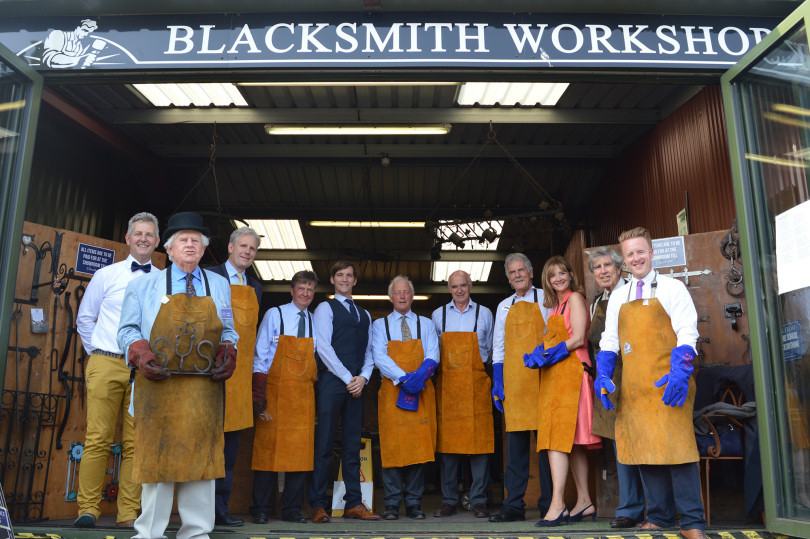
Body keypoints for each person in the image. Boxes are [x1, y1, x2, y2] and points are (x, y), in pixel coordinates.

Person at [117, 211, 238, 539]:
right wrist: (140, 352)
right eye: (183, 240)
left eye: (196, 241)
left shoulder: (220, 286)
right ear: (167, 248)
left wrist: (229, 349)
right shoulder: (143, 286)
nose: (190, 245)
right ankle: (149, 534)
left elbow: (228, 328)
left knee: (202, 462)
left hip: (203, 390)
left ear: (203, 249)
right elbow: (126, 329)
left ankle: (196, 533)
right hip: (158, 388)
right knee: (157, 462)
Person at [595, 227, 706, 539]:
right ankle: (658, 517)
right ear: (624, 261)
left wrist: (681, 373)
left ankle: (692, 522)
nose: (636, 258)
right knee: (644, 452)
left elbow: (687, 332)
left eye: (640, 251)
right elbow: (609, 341)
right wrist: (602, 374)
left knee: (679, 452)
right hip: (634, 388)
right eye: (630, 254)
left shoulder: (673, 288)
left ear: (651, 252)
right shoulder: (618, 297)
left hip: (670, 383)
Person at [74, 212, 158, 528]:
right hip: (106, 362)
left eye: (149, 234)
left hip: (143, 369)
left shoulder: (162, 279)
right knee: (97, 437)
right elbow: (85, 319)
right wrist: (97, 353)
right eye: (138, 233)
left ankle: (127, 514)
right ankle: (88, 509)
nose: (143, 239)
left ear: (157, 241)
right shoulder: (106, 275)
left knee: (137, 442)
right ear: (127, 238)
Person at [525, 256, 600, 526]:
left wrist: (553, 350)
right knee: (575, 443)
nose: (558, 278)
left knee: (557, 440)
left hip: (574, 375)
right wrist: (541, 351)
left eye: (562, 273)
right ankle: (584, 501)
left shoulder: (576, 299)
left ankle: (557, 505)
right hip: (559, 377)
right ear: (547, 280)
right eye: (552, 275)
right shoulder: (556, 307)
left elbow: (579, 338)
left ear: (570, 275)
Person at [309, 261, 381, 522]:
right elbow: (323, 348)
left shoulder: (365, 314)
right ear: (332, 279)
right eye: (340, 275)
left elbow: (370, 352)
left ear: (355, 281)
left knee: (353, 447)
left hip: (356, 386)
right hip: (332, 383)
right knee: (324, 445)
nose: (345, 279)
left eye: (349, 275)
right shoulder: (325, 308)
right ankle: (318, 504)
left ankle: (353, 503)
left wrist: (363, 378)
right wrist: (348, 377)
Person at [489, 253, 553, 523]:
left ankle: (550, 504)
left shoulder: (546, 300)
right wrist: (498, 380)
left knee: (547, 448)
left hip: (543, 381)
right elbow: (499, 347)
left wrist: (546, 353)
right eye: (512, 272)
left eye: (521, 270)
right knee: (515, 452)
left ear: (530, 271)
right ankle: (513, 506)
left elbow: (555, 335)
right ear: (508, 277)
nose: (517, 275)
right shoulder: (504, 306)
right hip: (515, 386)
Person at [251, 270, 318, 524]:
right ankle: (261, 508)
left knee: (299, 455)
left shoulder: (314, 321)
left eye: (310, 289)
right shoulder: (274, 314)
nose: (305, 293)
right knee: (268, 451)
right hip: (274, 391)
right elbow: (260, 354)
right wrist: (258, 390)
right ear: (292, 290)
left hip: (303, 397)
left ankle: (291, 509)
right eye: (301, 288)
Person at [371, 275, 439, 520]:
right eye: (397, 292)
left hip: (420, 392)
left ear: (412, 296)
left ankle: (413, 504)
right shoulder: (379, 326)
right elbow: (379, 357)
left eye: (406, 292)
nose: (401, 296)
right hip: (392, 392)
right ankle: (390, 504)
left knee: (417, 449)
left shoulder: (426, 323)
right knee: (391, 449)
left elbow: (433, 353)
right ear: (390, 297)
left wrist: (419, 377)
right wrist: (405, 379)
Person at [586, 247, 645, 529]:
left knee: (640, 439)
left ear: (620, 267)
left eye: (608, 264)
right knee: (619, 443)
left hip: (634, 373)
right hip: (608, 377)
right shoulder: (596, 302)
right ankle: (630, 508)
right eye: (597, 267)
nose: (603, 271)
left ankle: (649, 508)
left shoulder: (634, 291)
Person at [208, 227, 262, 527]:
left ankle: (221, 510)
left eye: (252, 249)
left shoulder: (256, 287)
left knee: (229, 453)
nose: (247, 252)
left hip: (239, 381)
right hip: (209, 374)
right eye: (243, 246)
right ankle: (198, 510)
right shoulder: (208, 276)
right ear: (230, 247)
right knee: (205, 446)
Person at [430, 270, 494, 519]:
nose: (459, 290)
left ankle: (479, 500)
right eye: (455, 286)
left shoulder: (485, 314)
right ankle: (448, 500)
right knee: (448, 450)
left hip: (477, 387)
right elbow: (434, 353)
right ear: (449, 288)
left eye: (463, 285)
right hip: (449, 391)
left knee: (479, 448)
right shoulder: (438, 315)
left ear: (470, 286)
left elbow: (489, 349)